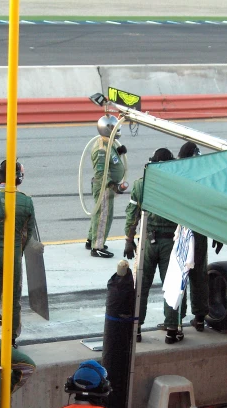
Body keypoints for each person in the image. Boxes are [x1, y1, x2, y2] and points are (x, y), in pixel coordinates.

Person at [124, 147, 185, 344]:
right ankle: (172, 330)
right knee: (173, 287)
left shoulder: (140, 185)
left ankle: (136, 330)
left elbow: (132, 215)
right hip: (171, 243)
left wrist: (128, 239)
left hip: (146, 243)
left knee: (140, 287)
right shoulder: (178, 185)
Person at [0, 159, 36, 345]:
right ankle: (10, 340)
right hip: (12, 256)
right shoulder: (26, 201)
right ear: (17, 178)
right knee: (13, 301)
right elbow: (28, 235)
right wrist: (17, 251)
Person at [177, 141, 216, 332]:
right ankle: (200, 318)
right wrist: (217, 233)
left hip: (181, 233)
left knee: (179, 276)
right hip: (199, 233)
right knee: (199, 276)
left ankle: (175, 322)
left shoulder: (175, 175)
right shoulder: (205, 177)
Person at [87, 115, 127, 259]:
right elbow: (100, 173)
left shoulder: (108, 143)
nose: (117, 130)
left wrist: (119, 152)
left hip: (107, 188)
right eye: (114, 127)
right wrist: (112, 186)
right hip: (104, 188)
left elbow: (111, 161)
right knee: (104, 216)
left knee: (99, 214)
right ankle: (97, 247)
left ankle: (91, 239)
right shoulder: (102, 149)